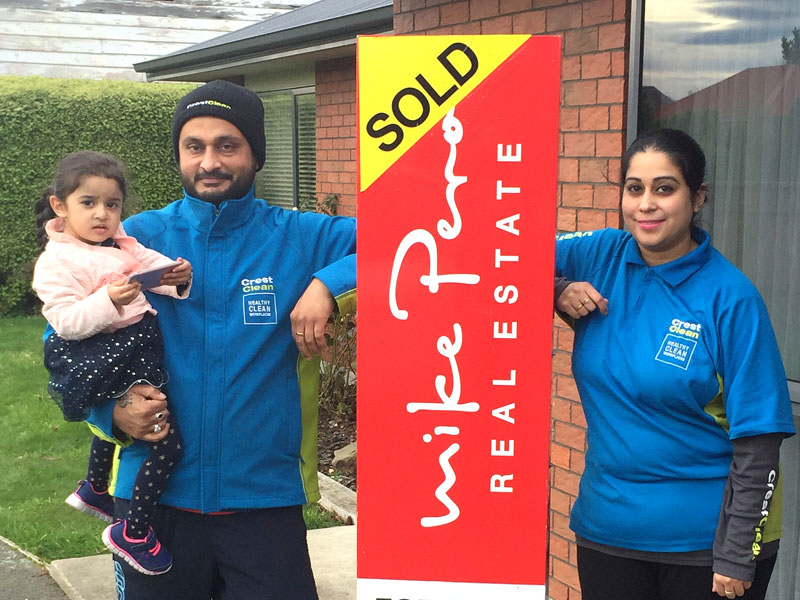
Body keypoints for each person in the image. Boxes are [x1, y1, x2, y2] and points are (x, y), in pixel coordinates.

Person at [83, 80, 356, 599]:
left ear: (255, 155)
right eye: (195, 146)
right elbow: (66, 337)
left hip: (264, 499)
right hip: (152, 503)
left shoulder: (300, 236)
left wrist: (328, 284)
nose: (209, 162)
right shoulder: (132, 239)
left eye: (227, 145)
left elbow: (407, 237)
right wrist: (109, 410)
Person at [554, 128, 795, 600]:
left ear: (697, 197)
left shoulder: (730, 297)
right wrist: (556, 288)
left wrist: (738, 553)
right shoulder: (601, 255)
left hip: (706, 546)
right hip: (607, 532)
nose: (646, 204)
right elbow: (500, 253)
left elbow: (760, 438)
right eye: (634, 188)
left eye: (664, 188)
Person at [31, 150, 193, 576]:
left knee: (115, 433)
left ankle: (94, 488)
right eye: (88, 202)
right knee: (167, 443)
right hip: (104, 357)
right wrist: (107, 300)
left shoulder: (120, 242)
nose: (102, 214)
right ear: (60, 206)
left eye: (112, 204)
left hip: (131, 352)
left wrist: (176, 276)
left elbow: (151, 267)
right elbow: (65, 322)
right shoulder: (56, 261)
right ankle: (133, 532)